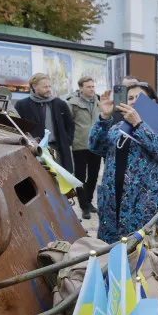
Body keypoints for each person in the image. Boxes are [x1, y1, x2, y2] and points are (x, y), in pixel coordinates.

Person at [89, 82, 158, 245]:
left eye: (139, 98)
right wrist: (104, 118)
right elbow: (95, 146)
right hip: (112, 204)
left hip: (143, 206)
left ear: (153, 102)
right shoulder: (116, 127)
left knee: (144, 257)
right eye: (130, 98)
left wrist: (139, 125)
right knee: (110, 254)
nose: (134, 101)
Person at [15, 74, 75, 173]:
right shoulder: (22, 105)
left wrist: (67, 141)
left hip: (57, 150)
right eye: (45, 87)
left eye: (49, 86)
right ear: (34, 86)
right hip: (35, 150)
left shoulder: (59, 104)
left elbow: (70, 124)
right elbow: (18, 126)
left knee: (61, 180)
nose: (48, 89)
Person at [67, 76, 103, 219]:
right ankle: (84, 206)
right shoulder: (73, 103)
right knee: (80, 177)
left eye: (93, 86)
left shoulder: (99, 101)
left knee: (93, 176)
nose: (91, 89)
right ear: (81, 88)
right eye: (88, 87)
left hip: (96, 144)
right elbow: (69, 123)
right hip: (80, 145)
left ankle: (88, 201)